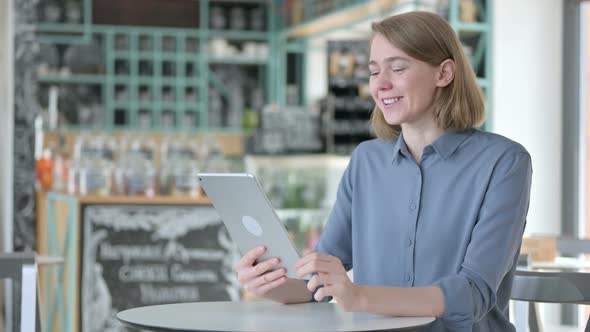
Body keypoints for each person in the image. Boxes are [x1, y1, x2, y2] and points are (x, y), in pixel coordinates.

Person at [234, 11, 532, 332]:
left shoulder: (504, 161)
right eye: (374, 71)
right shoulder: (366, 160)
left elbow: (472, 293)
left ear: (444, 73)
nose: (381, 84)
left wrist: (359, 296)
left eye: (398, 68)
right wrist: (270, 284)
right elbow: (318, 281)